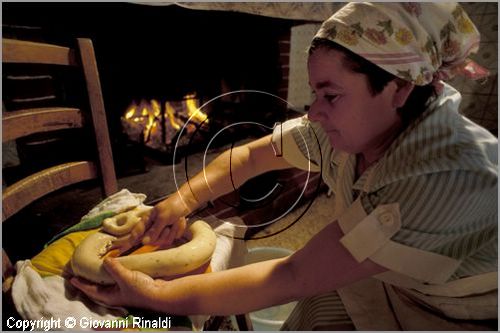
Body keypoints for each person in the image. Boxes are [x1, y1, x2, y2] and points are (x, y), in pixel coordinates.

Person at [71, 3, 497, 330]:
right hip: (394, 281)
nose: (314, 112)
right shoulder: (359, 128)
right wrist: (180, 201)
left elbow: (292, 273)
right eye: (315, 94)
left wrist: (155, 296)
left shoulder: (441, 178)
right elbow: (253, 155)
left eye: (330, 96)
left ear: (399, 87)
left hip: (459, 312)